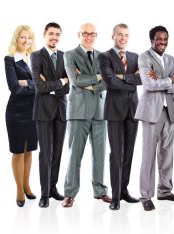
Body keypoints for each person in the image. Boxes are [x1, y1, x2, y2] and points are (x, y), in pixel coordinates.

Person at [135, 25, 174, 211]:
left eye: (165, 39)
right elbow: (148, 84)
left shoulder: (171, 59)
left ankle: (165, 190)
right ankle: (145, 195)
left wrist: (163, 81)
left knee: (166, 154)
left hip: (168, 111)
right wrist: (169, 80)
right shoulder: (143, 57)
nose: (162, 42)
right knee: (148, 155)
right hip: (150, 112)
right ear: (152, 40)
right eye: (159, 39)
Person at [62, 23, 111, 208]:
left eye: (92, 34)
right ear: (79, 34)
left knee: (99, 155)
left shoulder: (103, 56)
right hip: (78, 112)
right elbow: (75, 80)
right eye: (85, 34)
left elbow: (108, 81)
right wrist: (98, 76)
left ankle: (100, 191)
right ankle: (69, 193)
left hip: (99, 110)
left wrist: (93, 81)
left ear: (96, 35)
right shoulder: (69, 55)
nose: (88, 37)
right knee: (75, 155)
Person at [97, 23, 142, 210]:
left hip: (133, 110)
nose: (123, 38)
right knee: (116, 153)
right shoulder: (104, 56)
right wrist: (130, 78)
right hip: (114, 111)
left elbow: (142, 79)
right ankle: (115, 197)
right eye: (119, 35)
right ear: (113, 36)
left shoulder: (135, 57)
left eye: (126, 35)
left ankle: (124, 191)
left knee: (129, 153)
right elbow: (109, 82)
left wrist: (123, 77)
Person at [31, 22, 69, 208]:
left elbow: (70, 86)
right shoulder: (36, 56)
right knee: (46, 153)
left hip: (61, 110)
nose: (54, 37)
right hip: (43, 111)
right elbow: (39, 86)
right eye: (51, 34)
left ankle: (53, 188)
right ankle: (44, 194)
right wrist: (61, 81)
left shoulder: (65, 56)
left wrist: (55, 85)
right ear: (44, 35)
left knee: (58, 153)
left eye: (57, 34)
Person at [4, 25, 37, 207]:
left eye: (29, 38)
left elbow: (44, 83)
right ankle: (18, 189)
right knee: (18, 150)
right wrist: (35, 85)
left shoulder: (34, 58)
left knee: (29, 149)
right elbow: (14, 87)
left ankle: (27, 185)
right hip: (16, 111)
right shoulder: (10, 60)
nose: (26, 41)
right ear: (16, 39)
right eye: (22, 37)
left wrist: (28, 83)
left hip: (33, 110)